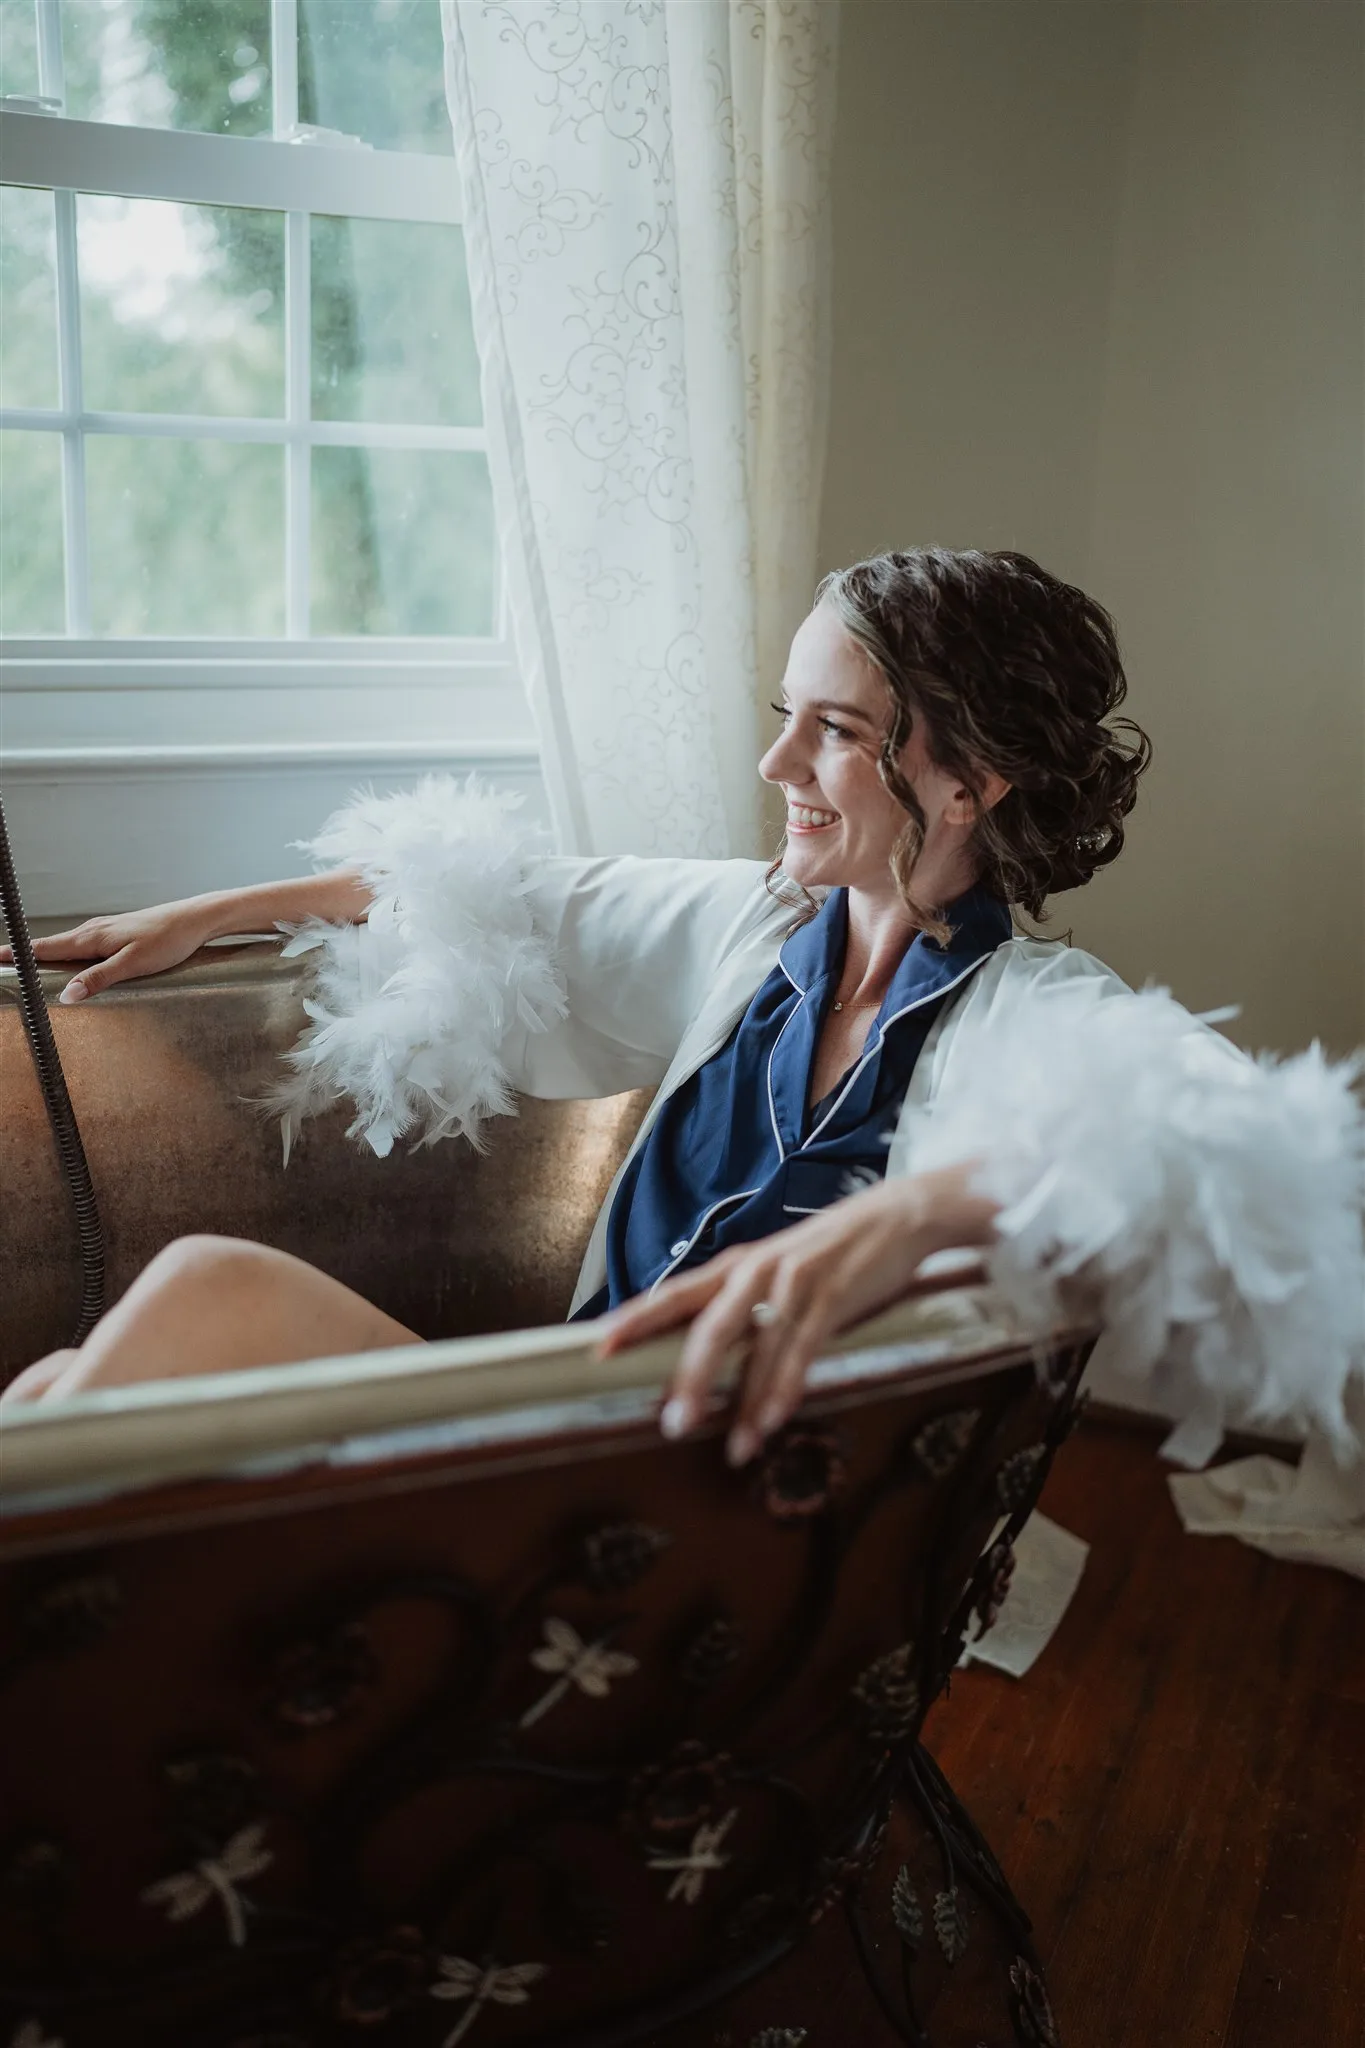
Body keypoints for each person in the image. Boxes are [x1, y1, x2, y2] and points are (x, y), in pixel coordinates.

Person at [4, 549, 1354, 1465]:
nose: (776, 760)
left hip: (731, 1526)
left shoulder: (1031, 1014)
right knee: (60, 1404)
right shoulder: (751, 928)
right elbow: (491, 889)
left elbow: (1242, 1146)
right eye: (788, 715)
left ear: (971, 779)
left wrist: (922, 1208)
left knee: (205, 1291)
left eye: (832, 728)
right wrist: (205, 914)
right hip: (589, 1425)